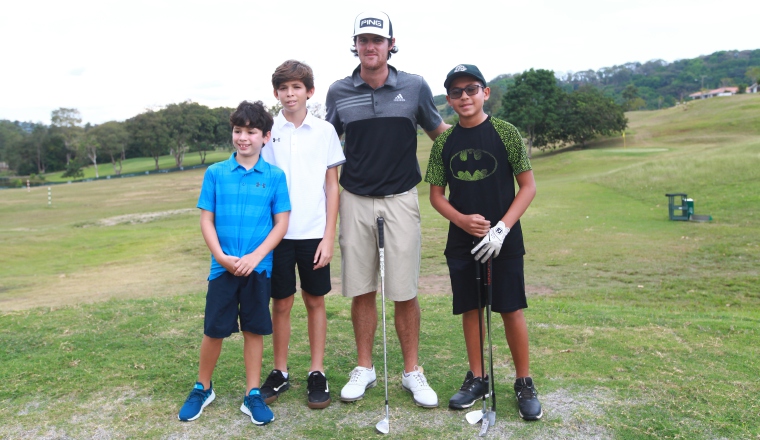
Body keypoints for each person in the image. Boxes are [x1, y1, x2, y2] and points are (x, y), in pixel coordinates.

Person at [325, 10, 448, 408]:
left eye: (377, 40)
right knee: (361, 287)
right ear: (355, 45)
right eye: (363, 40)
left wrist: (481, 137)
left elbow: (439, 134)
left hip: (400, 199)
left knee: (404, 289)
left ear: (391, 44)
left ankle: (412, 371)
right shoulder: (339, 91)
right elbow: (325, 146)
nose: (370, 46)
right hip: (355, 199)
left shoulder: (413, 86)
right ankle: (365, 367)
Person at [424, 64, 543, 421]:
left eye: (471, 89)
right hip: (462, 240)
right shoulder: (444, 141)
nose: (465, 97)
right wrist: (460, 219)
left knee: (510, 308)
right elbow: (435, 195)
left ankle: (524, 382)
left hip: (504, 238)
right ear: (448, 100)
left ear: (485, 92)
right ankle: (478, 378)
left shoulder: (505, 133)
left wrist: (503, 228)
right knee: (471, 307)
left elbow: (528, 186)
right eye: (456, 92)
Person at [178, 101, 290, 425]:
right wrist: (220, 257)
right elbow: (206, 220)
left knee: (254, 330)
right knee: (214, 329)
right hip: (222, 268)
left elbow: (281, 223)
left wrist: (255, 257)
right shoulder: (215, 173)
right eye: (238, 130)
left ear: (265, 137)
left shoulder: (274, 176)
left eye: (251, 131)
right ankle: (203, 387)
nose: (243, 137)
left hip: (258, 268)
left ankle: (252, 393)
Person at [259, 60, 345, 409]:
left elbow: (332, 186)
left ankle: (317, 371)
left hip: (313, 233)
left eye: (297, 87)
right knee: (280, 303)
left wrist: (328, 236)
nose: (290, 94)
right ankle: (280, 371)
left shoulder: (324, 131)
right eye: (283, 88)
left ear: (309, 91)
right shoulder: (269, 131)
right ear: (276, 93)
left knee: (314, 300)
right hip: (277, 234)